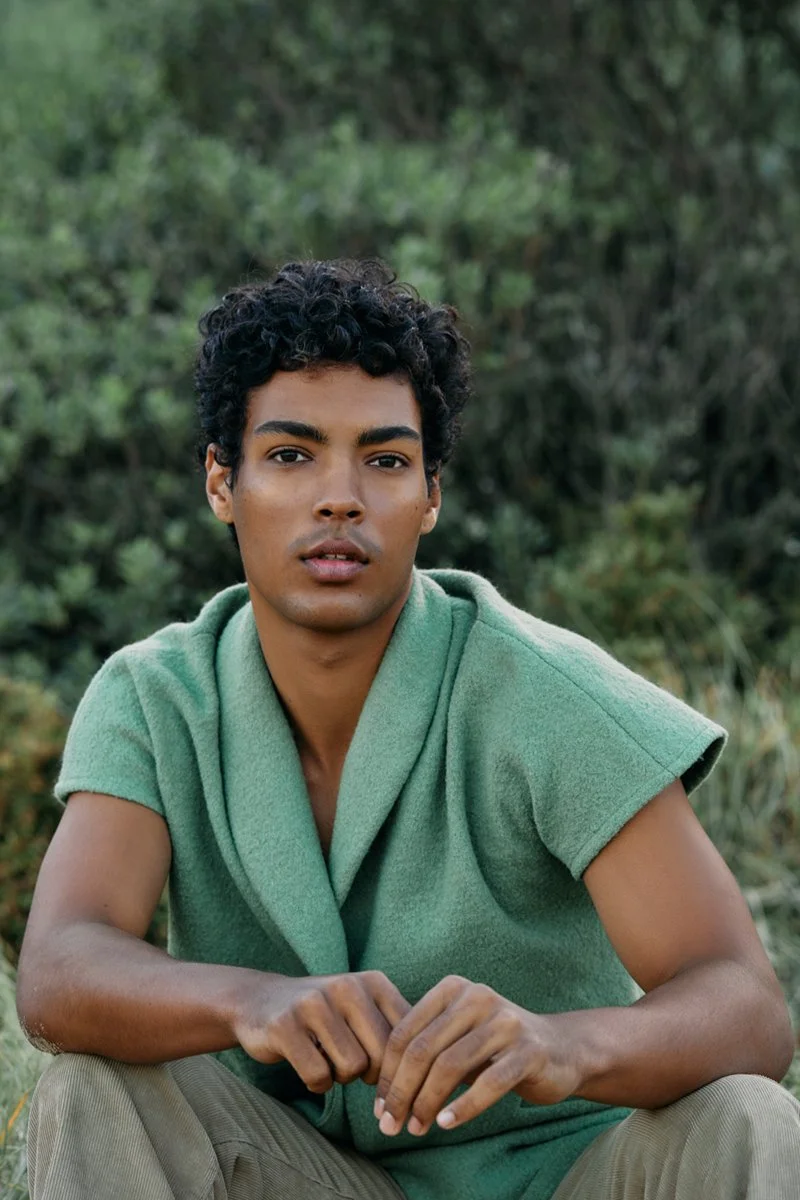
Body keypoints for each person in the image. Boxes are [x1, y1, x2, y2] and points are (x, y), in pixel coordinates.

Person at [17, 259, 800, 1200]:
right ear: (223, 482)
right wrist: (251, 1002)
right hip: (307, 1178)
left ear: (430, 494)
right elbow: (61, 970)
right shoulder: (155, 697)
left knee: (748, 1119)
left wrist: (565, 1045)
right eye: (291, 455)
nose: (339, 497)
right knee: (94, 1087)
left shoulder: (546, 695)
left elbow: (746, 1005)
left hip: (569, 1179)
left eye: (385, 461)